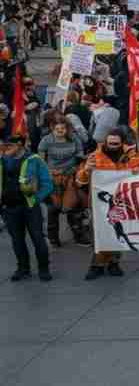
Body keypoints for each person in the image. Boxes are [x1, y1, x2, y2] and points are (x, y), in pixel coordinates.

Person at [76, 130, 139, 280]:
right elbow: (80, 181)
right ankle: (97, 265)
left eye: (116, 144)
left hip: (120, 202)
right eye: (110, 143)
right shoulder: (94, 157)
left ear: (122, 143)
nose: (112, 146)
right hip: (98, 204)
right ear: (105, 142)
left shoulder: (131, 157)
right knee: (99, 235)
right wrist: (86, 170)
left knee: (117, 234)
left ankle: (113, 263)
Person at [1, 134, 53, 282]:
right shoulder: (3, 160)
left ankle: (44, 269)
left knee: (38, 238)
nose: (6, 148)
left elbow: (48, 183)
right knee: (17, 240)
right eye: (5, 146)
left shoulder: (35, 160)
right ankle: (23, 268)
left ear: (19, 145)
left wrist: (36, 199)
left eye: (9, 146)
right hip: (9, 207)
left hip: (30, 207)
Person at [38, 119, 85, 247]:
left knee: (74, 206)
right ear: (52, 129)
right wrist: (47, 172)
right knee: (53, 208)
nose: (60, 131)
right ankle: (53, 239)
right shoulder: (46, 140)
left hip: (71, 174)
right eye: (57, 129)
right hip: (52, 176)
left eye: (63, 128)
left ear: (67, 129)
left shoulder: (74, 138)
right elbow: (40, 159)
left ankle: (79, 236)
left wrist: (74, 168)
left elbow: (80, 155)